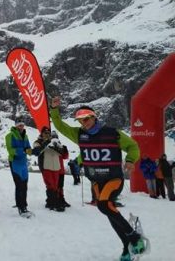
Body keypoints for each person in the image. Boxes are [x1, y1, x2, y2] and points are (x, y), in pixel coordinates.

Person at [50, 97, 145, 261]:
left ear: (94, 117)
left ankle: (134, 237)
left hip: (113, 178)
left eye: (86, 119)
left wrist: (130, 161)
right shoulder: (79, 134)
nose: (83, 123)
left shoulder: (111, 132)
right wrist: (54, 110)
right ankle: (127, 247)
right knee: (108, 212)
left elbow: (133, 146)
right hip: (96, 181)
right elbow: (60, 126)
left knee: (104, 205)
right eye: (80, 120)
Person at [32, 127, 65, 212]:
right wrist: (46, 143)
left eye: (48, 133)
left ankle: (52, 202)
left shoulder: (54, 142)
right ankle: (53, 203)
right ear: (41, 134)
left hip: (55, 166)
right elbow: (36, 151)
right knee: (50, 185)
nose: (47, 135)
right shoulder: (37, 142)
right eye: (45, 133)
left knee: (56, 185)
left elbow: (62, 153)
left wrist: (58, 146)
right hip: (45, 166)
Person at [5, 118, 33, 217]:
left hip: (23, 163)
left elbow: (28, 147)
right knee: (19, 185)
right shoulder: (10, 135)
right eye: (19, 125)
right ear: (16, 126)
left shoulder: (25, 136)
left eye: (22, 125)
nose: (21, 127)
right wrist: (23, 150)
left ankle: (23, 205)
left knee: (24, 185)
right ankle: (21, 207)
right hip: (15, 162)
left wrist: (30, 150)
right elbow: (10, 150)